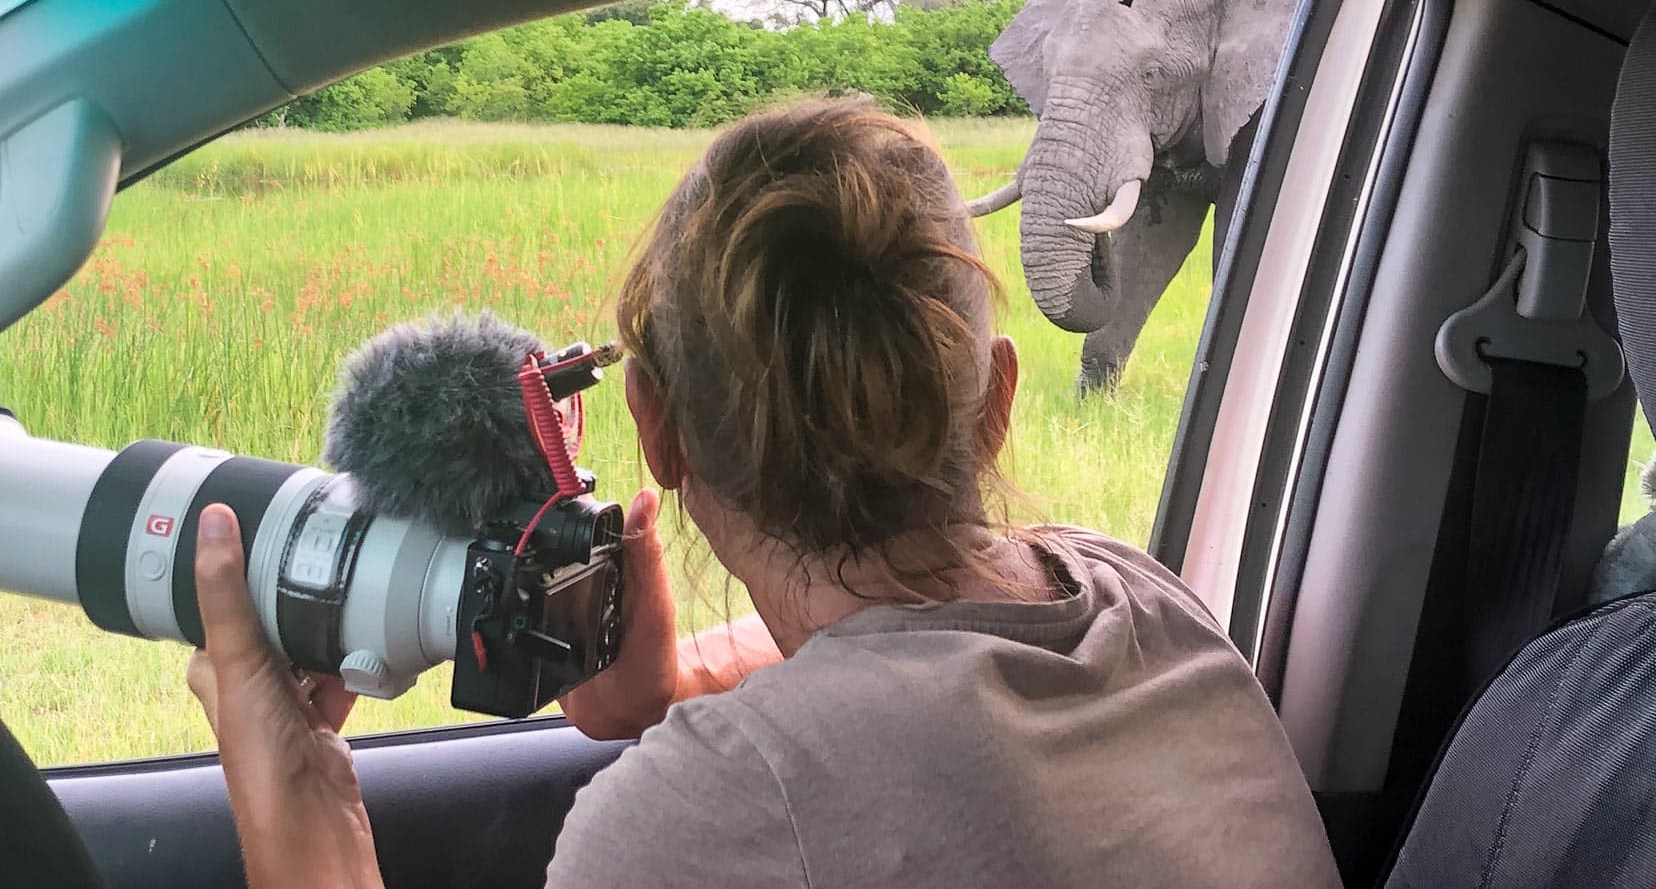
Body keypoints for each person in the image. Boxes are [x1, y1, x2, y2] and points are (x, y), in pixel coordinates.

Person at [185, 97, 1342, 888]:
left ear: (656, 428)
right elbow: (904, 634)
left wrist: (305, 809)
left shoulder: (710, 820)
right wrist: (677, 684)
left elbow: (863, 676)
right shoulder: (1135, 598)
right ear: (994, 401)